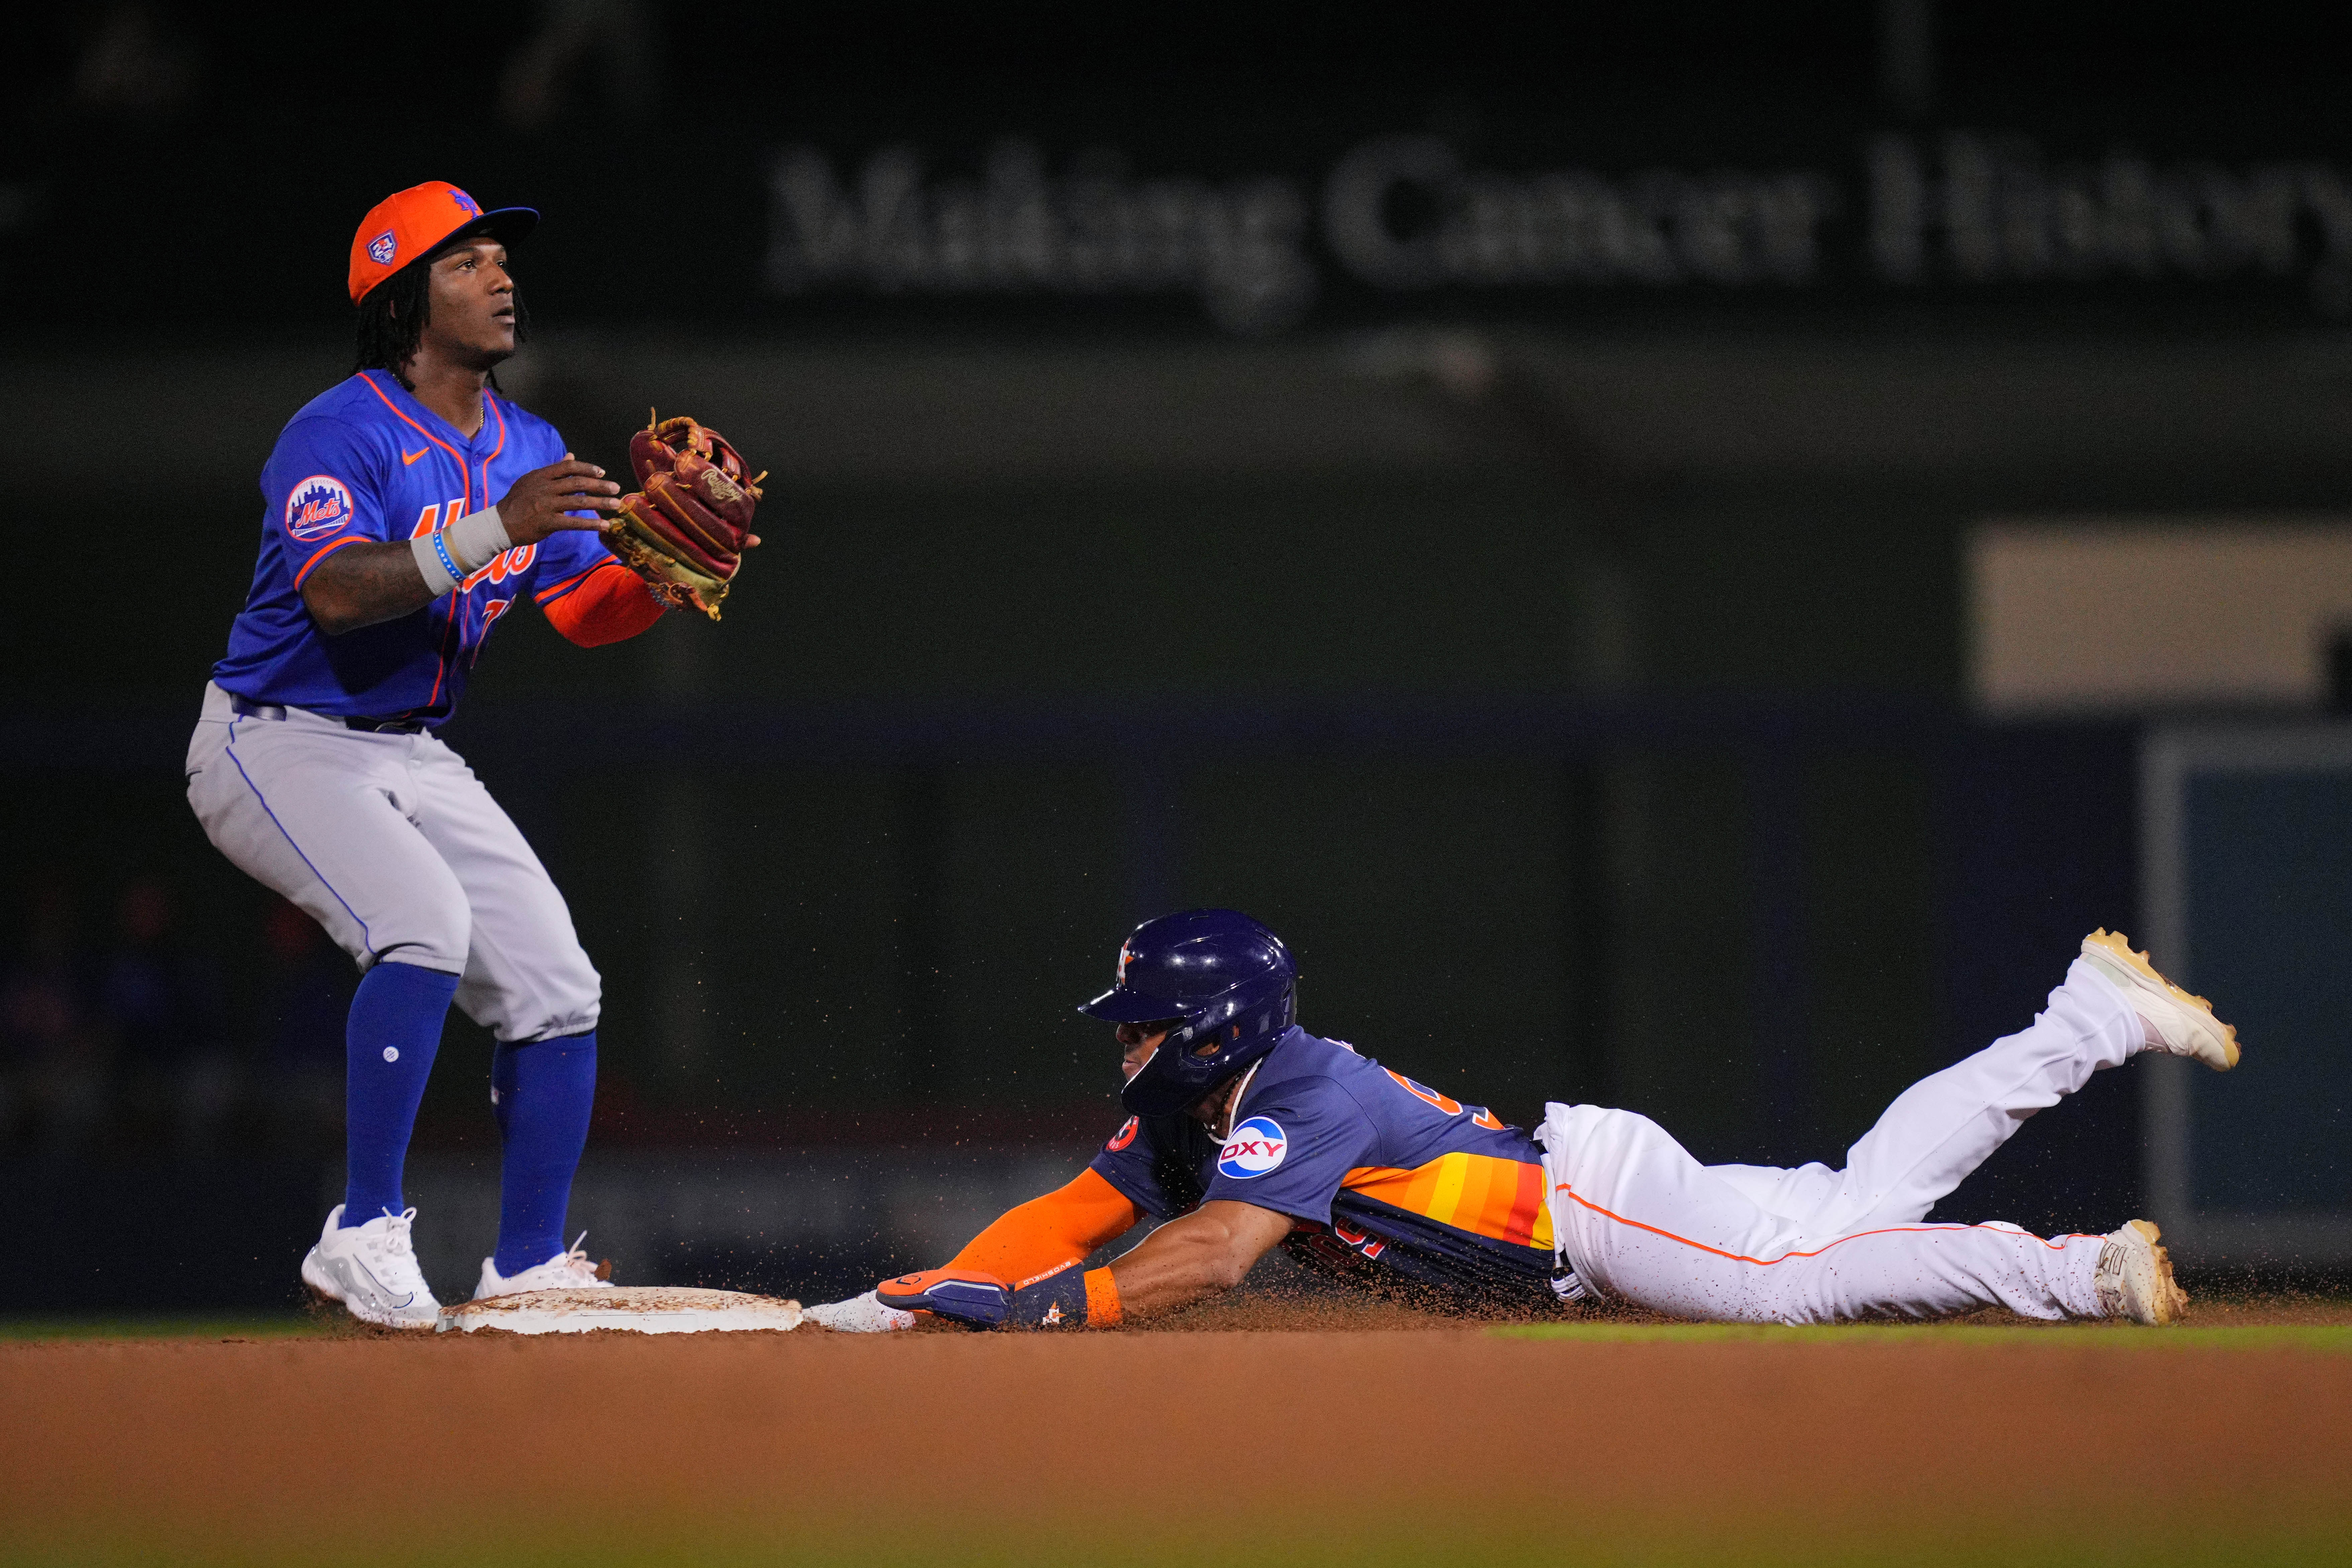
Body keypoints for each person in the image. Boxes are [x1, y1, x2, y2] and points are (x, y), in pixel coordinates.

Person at [807, 909, 2236, 1332]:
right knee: (1859, 1192)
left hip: (1584, 1212)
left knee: (1800, 1287)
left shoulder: (1295, 1090)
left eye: (1141, 1018)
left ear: (1210, 1027)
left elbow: (1221, 1254)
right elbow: (1075, 1211)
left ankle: (2074, 1270)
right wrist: (930, 1293)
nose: (1123, 1039)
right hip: (1587, 1188)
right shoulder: (1196, 1103)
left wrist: (1068, 1312)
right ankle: (2093, 1015)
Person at [185, 181, 677, 1328]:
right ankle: (361, 1233)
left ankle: (527, 1268)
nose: (502, 277)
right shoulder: (339, 429)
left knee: (558, 984)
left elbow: (577, 609)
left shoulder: (528, 442)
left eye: (505, 258)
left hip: (411, 751)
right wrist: (497, 525)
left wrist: (656, 573)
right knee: (424, 929)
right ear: (405, 295)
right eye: (468, 262)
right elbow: (337, 593)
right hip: (275, 738)